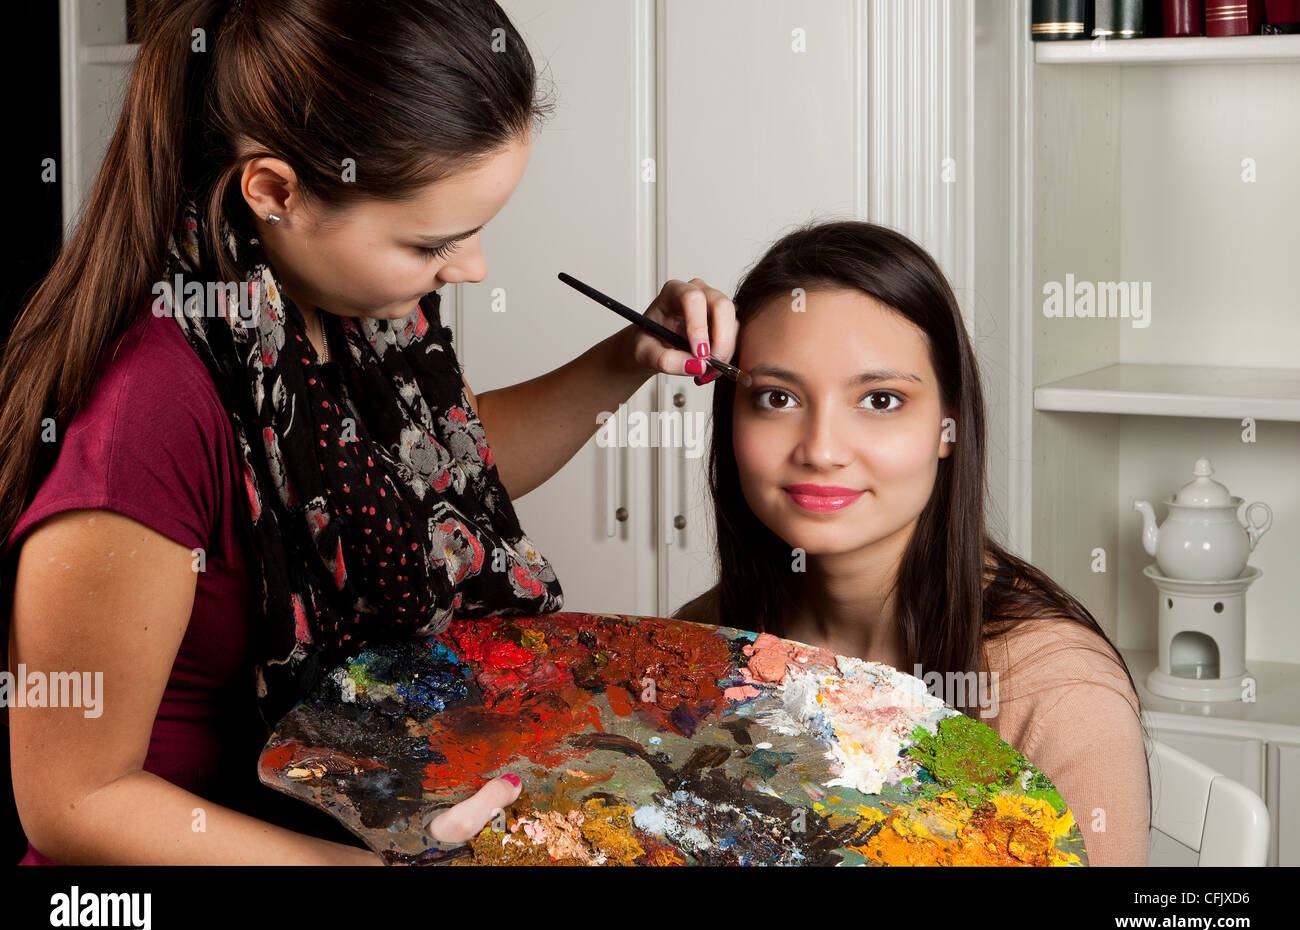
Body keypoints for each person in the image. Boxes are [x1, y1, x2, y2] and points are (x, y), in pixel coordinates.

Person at [0, 0, 736, 865]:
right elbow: (73, 800)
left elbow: (446, 474)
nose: (470, 270)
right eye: (434, 243)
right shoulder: (147, 410)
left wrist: (626, 357)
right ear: (273, 191)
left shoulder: (338, 304)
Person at [674, 219, 1152, 866]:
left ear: (949, 423)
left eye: (879, 400)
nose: (820, 449)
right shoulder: (703, 639)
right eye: (778, 397)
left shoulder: (1060, 699)